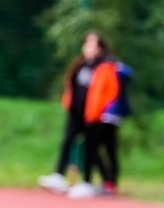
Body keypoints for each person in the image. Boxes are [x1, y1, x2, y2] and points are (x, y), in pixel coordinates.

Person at [40, 31, 107, 195]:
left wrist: (98, 110)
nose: (88, 48)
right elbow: (71, 85)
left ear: (100, 48)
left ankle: (87, 182)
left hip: (93, 115)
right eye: (86, 44)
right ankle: (58, 175)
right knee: (68, 141)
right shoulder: (80, 65)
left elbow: (106, 92)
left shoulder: (104, 67)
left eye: (93, 44)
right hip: (76, 112)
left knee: (90, 148)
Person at [72, 51, 131, 198]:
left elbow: (127, 76)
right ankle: (107, 180)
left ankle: (110, 182)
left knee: (108, 148)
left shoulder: (114, 69)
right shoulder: (98, 71)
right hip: (100, 114)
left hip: (110, 116)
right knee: (95, 147)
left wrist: (116, 66)